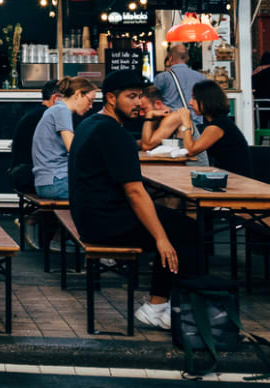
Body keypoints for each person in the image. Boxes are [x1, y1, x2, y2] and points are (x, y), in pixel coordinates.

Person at [68, 69, 190, 331]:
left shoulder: (91, 123)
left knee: (173, 223)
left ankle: (164, 303)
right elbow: (135, 192)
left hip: (90, 217)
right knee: (186, 230)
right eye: (131, 96)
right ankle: (162, 307)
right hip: (105, 223)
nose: (138, 103)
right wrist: (161, 238)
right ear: (111, 99)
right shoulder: (113, 133)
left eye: (140, 96)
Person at [31, 78, 99, 198]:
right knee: (108, 192)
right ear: (77, 94)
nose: (91, 106)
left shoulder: (56, 109)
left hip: (49, 181)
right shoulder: (62, 110)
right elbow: (73, 149)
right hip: (56, 182)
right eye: (90, 101)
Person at [182, 80, 252, 172]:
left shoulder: (218, 126)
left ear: (207, 100)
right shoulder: (216, 122)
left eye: (194, 98)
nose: (190, 103)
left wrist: (186, 122)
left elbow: (190, 150)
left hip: (235, 180)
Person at [7, 81, 62, 193]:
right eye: (68, 99)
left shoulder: (35, 114)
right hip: (30, 175)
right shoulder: (47, 117)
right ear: (55, 98)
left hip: (21, 173)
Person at [156, 43, 204, 113]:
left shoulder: (162, 77)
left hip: (172, 121)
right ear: (187, 58)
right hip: (195, 122)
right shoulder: (201, 77)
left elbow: (154, 101)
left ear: (171, 58)